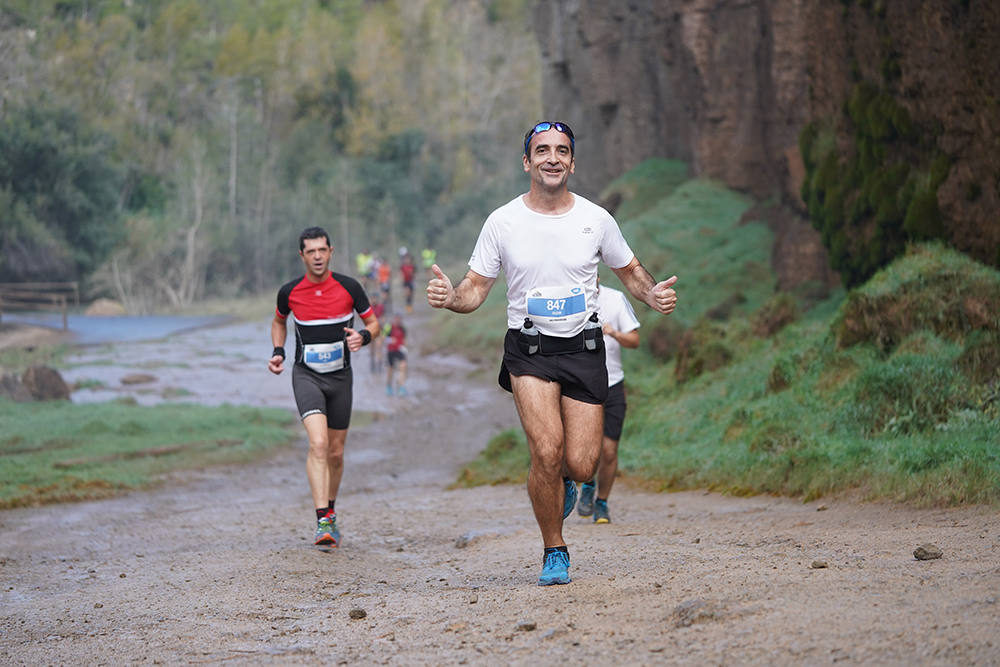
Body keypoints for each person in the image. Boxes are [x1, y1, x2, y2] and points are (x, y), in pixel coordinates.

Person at [427, 120, 678, 586]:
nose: (552, 158)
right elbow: (475, 290)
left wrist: (653, 296)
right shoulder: (502, 221)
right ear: (527, 162)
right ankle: (554, 550)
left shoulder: (596, 219)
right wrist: (450, 298)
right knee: (546, 449)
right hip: (529, 350)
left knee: (582, 464)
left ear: (572, 162)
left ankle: (561, 483)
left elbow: (632, 271)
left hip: (583, 348)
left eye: (561, 150)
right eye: (542, 150)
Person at [268, 227, 380, 548]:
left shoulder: (349, 287)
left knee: (335, 451)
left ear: (331, 251)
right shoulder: (289, 292)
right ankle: (323, 521)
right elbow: (279, 321)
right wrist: (278, 352)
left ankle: (330, 510)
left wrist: (365, 336)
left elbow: (373, 323)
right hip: (307, 375)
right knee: (317, 443)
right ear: (301, 256)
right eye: (311, 252)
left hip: (340, 378)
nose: (317, 256)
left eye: (322, 250)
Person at [576, 280, 640, 524]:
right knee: (584, 448)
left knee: (609, 450)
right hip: (582, 384)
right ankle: (588, 485)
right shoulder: (570, 299)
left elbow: (634, 340)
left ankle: (602, 503)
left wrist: (613, 332)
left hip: (613, 383)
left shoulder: (615, 299)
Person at [384, 313, 408, 396]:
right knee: (390, 370)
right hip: (390, 351)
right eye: (396, 319)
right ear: (394, 319)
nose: (398, 321)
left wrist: (405, 348)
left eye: (399, 319)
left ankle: (401, 387)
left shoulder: (403, 328)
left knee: (403, 366)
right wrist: (390, 340)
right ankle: (388, 387)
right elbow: (383, 338)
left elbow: (404, 340)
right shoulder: (388, 327)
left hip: (399, 350)